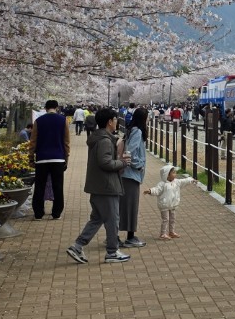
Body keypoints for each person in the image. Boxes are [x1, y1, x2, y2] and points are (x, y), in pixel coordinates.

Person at [66, 107, 132, 264]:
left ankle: (78, 245)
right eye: (115, 120)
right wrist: (122, 162)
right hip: (106, 186)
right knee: (112, 220)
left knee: (97, 218)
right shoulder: (105, 140)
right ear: (110, 122)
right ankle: (112, 251)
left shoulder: (100, 138)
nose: (117, 123)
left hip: (99, 185)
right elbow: (105, 162)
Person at [30, 100, 71, 220]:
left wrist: (31, 158)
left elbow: (33, 141)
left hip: (42, 158)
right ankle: (56, 213)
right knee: (58, 186)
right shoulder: (63, 120)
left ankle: (38, 213)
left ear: (45, 108)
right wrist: (66, 158)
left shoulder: (38, 121)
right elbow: (66, 142)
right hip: (58, 158)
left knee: (39, 186)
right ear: (57, 107)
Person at [120, 108, 148, 248]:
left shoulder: (131, 129)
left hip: (127, 174)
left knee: (124, 206)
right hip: (131, 174)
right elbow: (129, 151)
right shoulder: (137, 131)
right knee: (131, 206)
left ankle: (114, 236)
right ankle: (130, 237)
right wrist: (138, 165)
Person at [144, 164, 195, 239]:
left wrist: (191, 180)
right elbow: (156, 190)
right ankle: (163, 234)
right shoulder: (162, 184)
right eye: (173, 173)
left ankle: (171, 232)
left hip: (173, 204)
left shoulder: (176, 182)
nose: (175, 174)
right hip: (164, 205)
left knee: (172, 219)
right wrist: (150, 191)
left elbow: (184, 181)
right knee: (166, 219)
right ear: (167, 175)